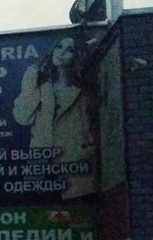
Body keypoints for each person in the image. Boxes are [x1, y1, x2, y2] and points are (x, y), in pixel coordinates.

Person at [12, 33, 97, 199]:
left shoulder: (83, 91)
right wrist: (30, 80)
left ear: (76, 56)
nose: (61, 52)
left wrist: (88, 151)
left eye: (69, 50)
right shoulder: (41, 85)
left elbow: (90, 128)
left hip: (74, 167)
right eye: (59, 46)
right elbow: (22, 118)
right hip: (40, 169)